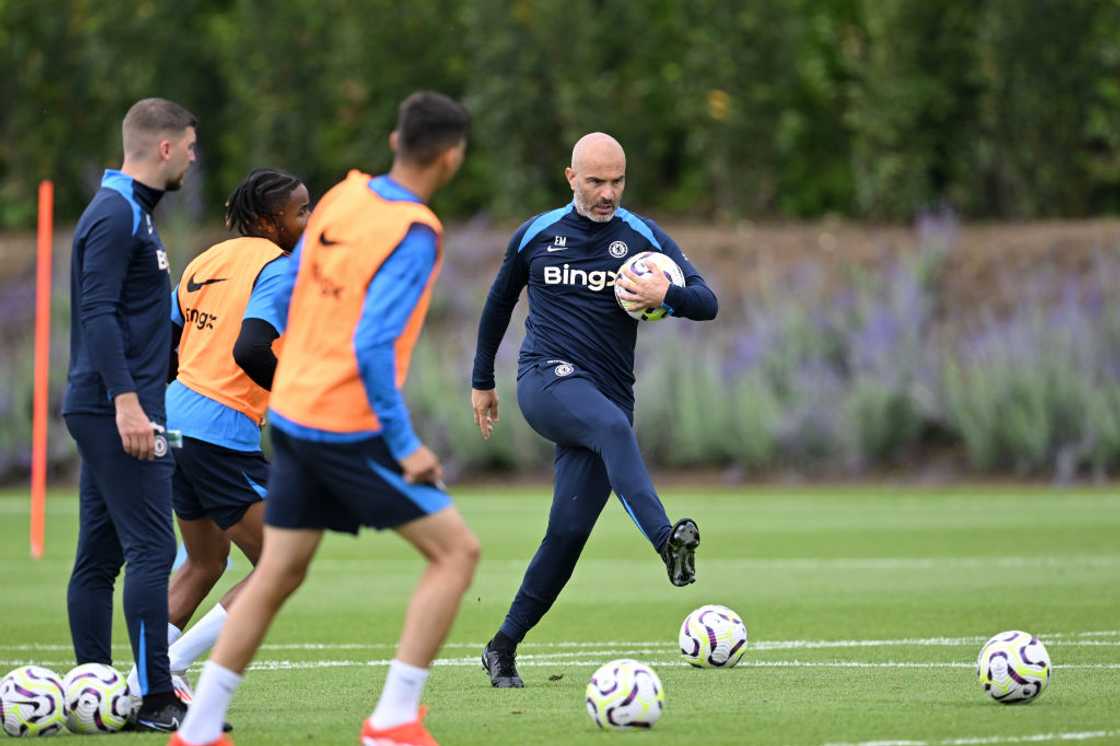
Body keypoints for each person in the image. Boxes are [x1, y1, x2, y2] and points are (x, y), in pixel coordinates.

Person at [170, 91, 479, 746]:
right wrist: (405, 444)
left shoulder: (341, 198)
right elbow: (370, 345)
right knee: (456, 553)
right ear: (452, 158)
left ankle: (197, 729)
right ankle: (394, 718)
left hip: (292, 417)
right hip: (347, 422)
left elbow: (304, 296)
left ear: (396, 142)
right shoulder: (417, 232)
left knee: (279, 570)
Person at [471, 132, 719, 688]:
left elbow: (707, 301)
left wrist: (666, 296)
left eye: (617, 181)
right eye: (596, 181)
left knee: (566, 535)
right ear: (571, 178)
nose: (608, 193)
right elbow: (498, 304)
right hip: (544, 381)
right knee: (610, 426)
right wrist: (481, 380)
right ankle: (666, 541)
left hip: (608, 397)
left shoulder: (642, 237)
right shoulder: (538, 234)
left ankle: (502, 646)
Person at [124, 169, 310, 700]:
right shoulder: (277, 267)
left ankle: (142, 682)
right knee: (283, 561)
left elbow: (165, 349)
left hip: (175, 421)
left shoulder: (205, 259)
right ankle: (162, 671)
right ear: (270, 221)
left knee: (206, 561)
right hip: (218, 431)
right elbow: (251, 349)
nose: (309, 220)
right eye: (301, 211)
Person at [62, 97, 198, 731]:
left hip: (112, 406)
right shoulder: (117, 215)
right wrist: (128, 403)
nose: (194, 158)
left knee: (100, 556)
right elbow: (98, 314)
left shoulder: (131, 212)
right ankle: (155, 697)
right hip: (118, 410)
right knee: (153, 547)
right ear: (164, 148)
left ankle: (93, 689)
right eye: (190, 147)